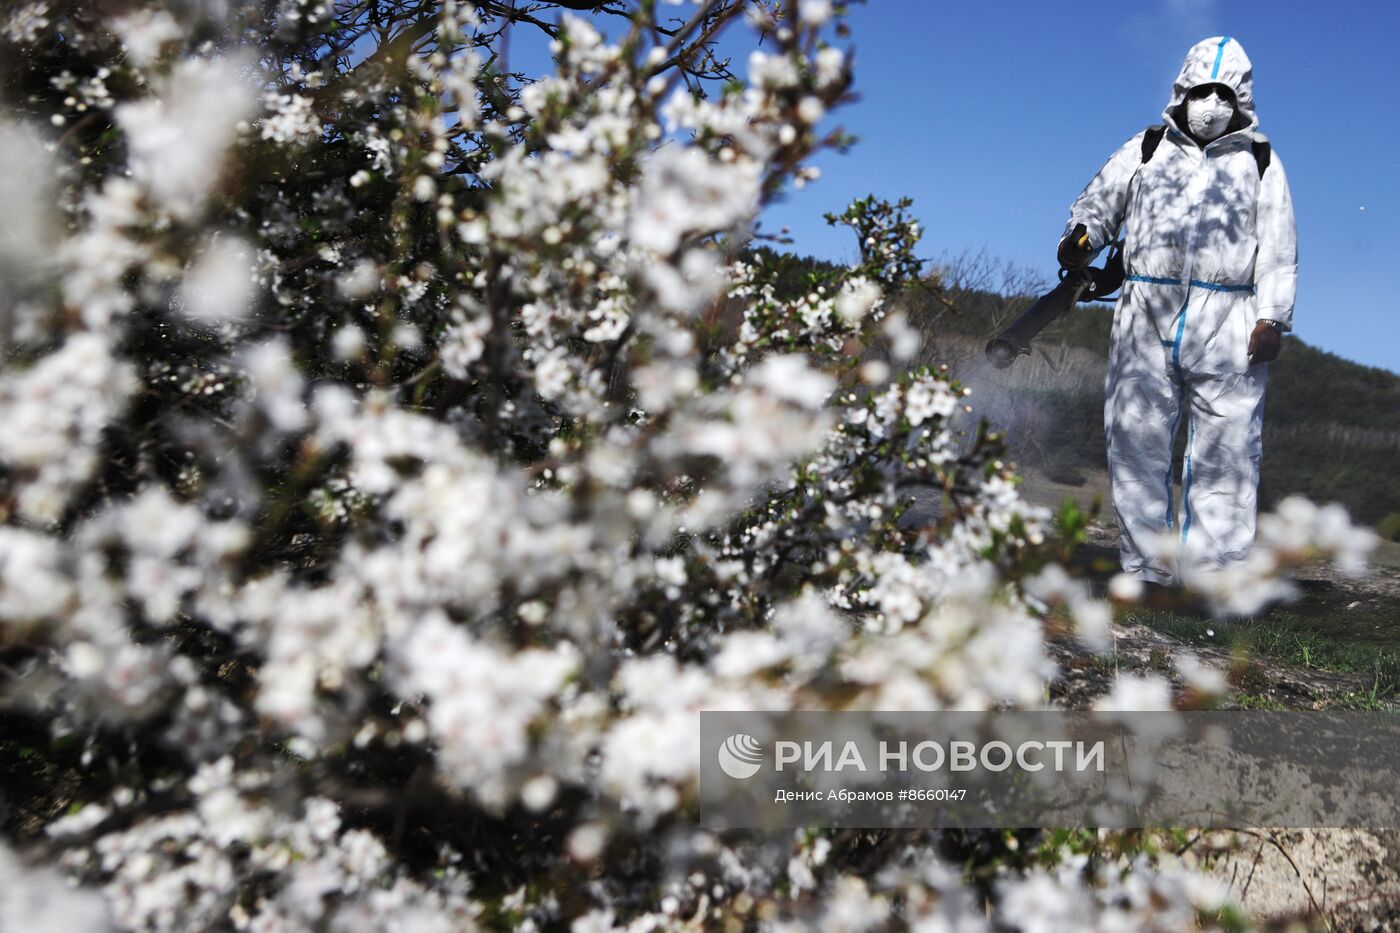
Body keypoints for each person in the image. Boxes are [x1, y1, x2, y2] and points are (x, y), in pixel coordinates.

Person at [1057, 36, 1297, 587]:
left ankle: (1215, 580)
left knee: (1229, 450)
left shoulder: (1259, 160)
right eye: (1201, 91)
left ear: (1240, 98)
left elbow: (1279, 243)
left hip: (1231, 317)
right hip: (1146, 308)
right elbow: (1098, 204)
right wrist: (1081, 238)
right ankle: (1146, 570)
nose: (1210, 104)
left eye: (1222, 93)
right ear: (1182, 89)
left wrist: (1273, 316)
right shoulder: (1146, 148)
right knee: (1135, 440)